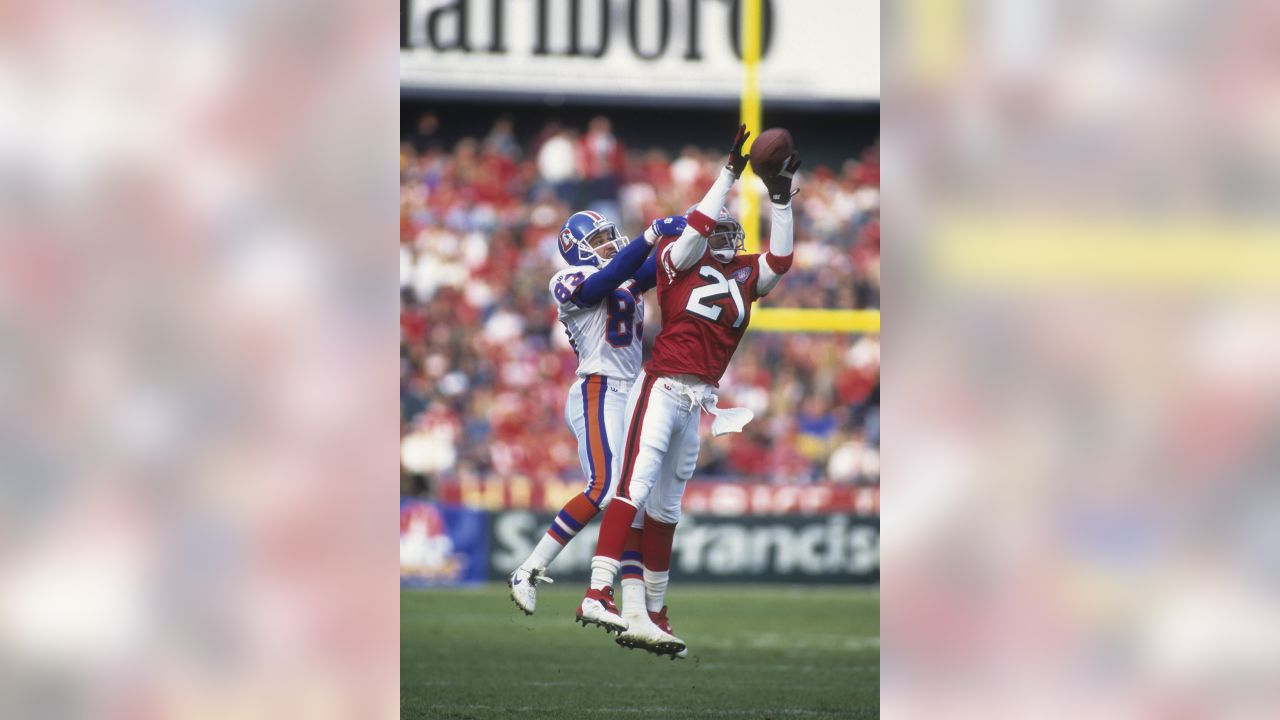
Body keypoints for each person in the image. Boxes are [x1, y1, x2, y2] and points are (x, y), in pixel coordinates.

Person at [575, 125, 801, 657]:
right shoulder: (678, 264)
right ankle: (595, 591)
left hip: (697, 398)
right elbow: (699, 222)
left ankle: (653, 612)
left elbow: (781, 261)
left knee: (668, 509)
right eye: (722, 231)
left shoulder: (745, 275)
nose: (729, 237)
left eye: (731, 232)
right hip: (660, 386)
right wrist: (728, 173)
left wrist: (782, 200)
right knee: (632, 488)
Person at [507, 209, 687, 615]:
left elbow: (657, 268)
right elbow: (605, 281)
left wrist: (697, 228)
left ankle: (630, 606)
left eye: (611, 236)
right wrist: (654, 232)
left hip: (631, 390)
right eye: (600, 239)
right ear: (578, 250)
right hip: (599, 388)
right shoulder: (567, 279)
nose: (610, 243)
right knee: (605, 488)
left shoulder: (623, 274)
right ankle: (529, 570)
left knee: (630, 498)